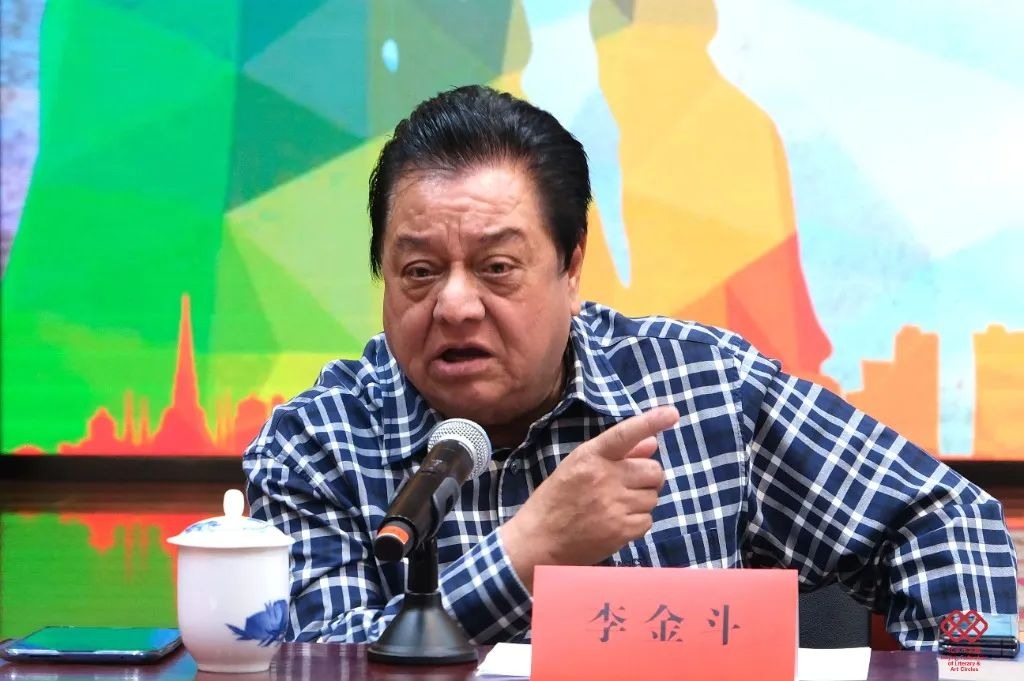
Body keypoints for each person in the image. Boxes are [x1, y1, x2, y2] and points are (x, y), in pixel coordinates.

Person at [243, 85, 1018, 649]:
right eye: (418, 271)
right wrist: (526, 553)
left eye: (497, 267)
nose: (453, 305)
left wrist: (964, 664)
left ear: (572, 266)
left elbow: (945, 519)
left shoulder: (702, 387)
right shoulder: (316, 445)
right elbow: (314, 660)